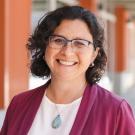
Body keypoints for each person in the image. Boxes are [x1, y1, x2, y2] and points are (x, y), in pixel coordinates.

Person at [1, 6, 135, 135]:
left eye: (80, 43)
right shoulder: (19, 104)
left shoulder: (116, 111)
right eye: (58, 40)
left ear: (94, 54)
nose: (67, 52)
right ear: (44, 47)